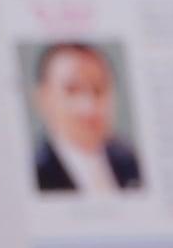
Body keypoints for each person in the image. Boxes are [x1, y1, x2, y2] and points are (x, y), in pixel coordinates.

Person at [30, 40, 146, 193]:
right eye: (72, 90)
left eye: (98, 90)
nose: (88, 106)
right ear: (44, 98)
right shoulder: (36, 172)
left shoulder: (133, 161)